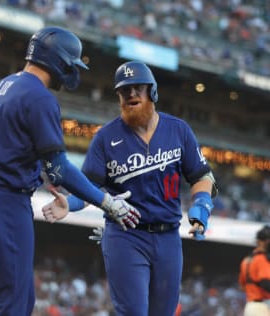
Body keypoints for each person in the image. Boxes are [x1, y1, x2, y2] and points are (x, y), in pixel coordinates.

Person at [0, 26, 141, 316]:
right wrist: (107, 202)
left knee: (19, 302)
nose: (71, 71)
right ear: (56, 59)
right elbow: (57, 168)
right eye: (71, 63)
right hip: (6, 204)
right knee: (10, 308)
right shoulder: (40, 97)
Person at [42, 60, 218, 316]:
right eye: (125, 90)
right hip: (125, 236)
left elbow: (202, 175)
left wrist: (202, 204)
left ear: (152, 92)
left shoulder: (178, 130)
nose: (132, 94)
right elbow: (91, 186)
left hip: (168, 236)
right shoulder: (105, 137)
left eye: (138, 88)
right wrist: (70, 203)